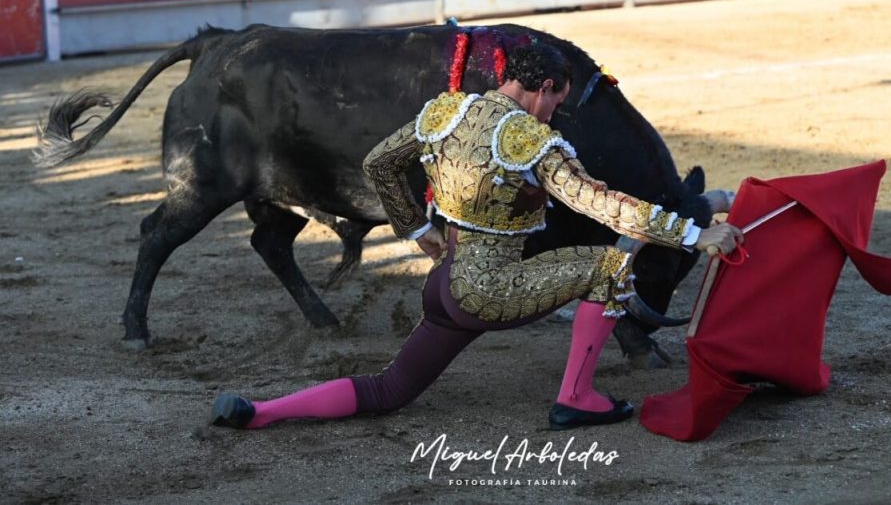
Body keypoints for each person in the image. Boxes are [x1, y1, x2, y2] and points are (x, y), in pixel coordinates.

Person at [210, 42, 742, 431]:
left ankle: (260, 412)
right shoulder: (530, 139)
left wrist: (418, 230)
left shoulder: (447, 112)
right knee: (609, 266)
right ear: (545, 88)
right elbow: (603, 207)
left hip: (444, 284)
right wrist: (694, 235)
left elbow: (379, 164)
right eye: (558, 101)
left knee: (389, 389)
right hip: (490, 290)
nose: (557, 112)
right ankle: (577, 397)